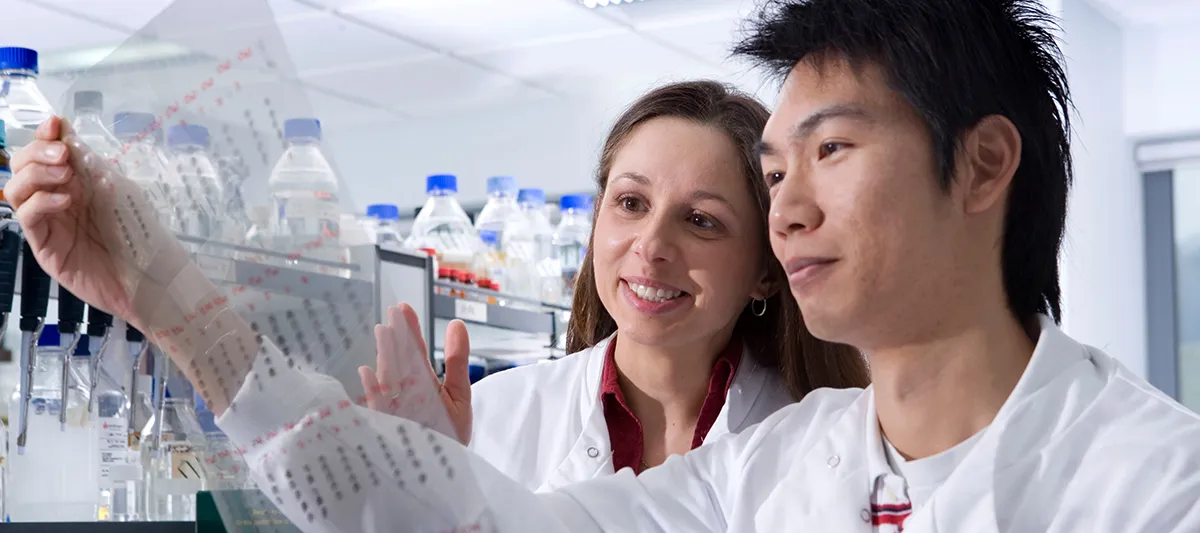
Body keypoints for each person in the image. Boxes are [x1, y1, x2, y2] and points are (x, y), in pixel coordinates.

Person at [7, 0, 1200, 531]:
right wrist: (162, 295)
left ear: (984, 166)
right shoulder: (768, 476)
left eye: (831, 150)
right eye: (776, 171)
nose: (789, 208)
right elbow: (471, 519)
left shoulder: (1154, 485)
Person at [357, 81, 868, 491]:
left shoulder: (825, 438)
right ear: (598, 217)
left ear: (765, 270)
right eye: (631, 203)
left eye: (699, 219)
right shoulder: (496, 416)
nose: (651, 245)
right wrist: (416, 485)